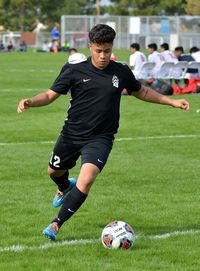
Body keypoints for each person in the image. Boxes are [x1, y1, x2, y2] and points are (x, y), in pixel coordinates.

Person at [17, 24, 189, 241]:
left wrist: (171, 101)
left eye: (107, 51)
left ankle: (55, 224)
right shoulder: (74, 70)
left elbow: (142, 91)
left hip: (101, 138)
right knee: (53, 172)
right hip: (71, 134)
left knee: (87, 179)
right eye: (98, 51)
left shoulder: (121, 71)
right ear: (90, 47)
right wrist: (30, 102)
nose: (103, 56)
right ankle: (63, 187)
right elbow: (50, 95)